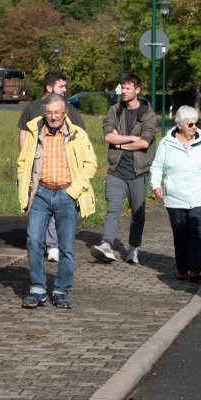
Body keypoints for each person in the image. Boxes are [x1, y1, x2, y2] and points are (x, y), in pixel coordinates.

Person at [17, 94, 97, 309]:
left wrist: (73, 192)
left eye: (57, 112)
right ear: (44, 112)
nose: (53, 117)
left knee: (66, 246)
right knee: (34, 240)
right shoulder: (35, 131)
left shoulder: (78, 134)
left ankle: (61, 290)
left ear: (65, 113)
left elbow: (91, 164)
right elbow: (23, 162)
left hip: (66, 194)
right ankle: (37, 289)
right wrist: (25, 187)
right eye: (49, 112)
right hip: (41, 194)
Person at [17, 71, 86, 262]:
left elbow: (80, 133)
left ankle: (54, 244)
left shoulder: (67, 108)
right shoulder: (32, 108)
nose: (65, 90)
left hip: (61, 168)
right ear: (49, 87)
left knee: (58, 202)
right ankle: (47, 244)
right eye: (61, 86)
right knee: (40, 203)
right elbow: (24, 134)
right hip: (38, 168)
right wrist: (28, 160)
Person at [90, 74, 157, 265]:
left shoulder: (148, 114)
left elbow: (144, 143)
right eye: (123, 88)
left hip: (138, 172)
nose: (124, 91)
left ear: (137, 90)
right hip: (116, 170)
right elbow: (108, 137)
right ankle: (107, 244)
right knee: (113, 209)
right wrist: (132, 138)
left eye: (128, 88)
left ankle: (134, 248)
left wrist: (120, 143)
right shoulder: (115, 110)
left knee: (138, 214)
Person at [150, 105, 201, 283]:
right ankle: (182, 269)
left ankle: (195, 270)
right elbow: (157, 165)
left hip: (198, 196)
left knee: (197, 233)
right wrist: (156, 184)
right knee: (180, 233)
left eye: (196, 123)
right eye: (190, 124)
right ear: (180, 125)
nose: (194, 127)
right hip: (175, 197)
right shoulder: (166, 143)